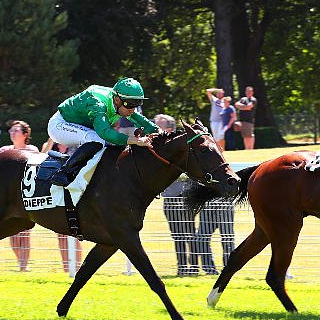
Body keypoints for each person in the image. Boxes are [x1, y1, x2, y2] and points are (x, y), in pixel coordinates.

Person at [47, 77, 159, 187]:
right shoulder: (98, 103)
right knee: (96, 139)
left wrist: (161, 133)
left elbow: (141, 121)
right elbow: (104, 132)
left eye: (136, 105)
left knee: (103, 144)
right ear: (117, 100)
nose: (132, 110)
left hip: (79, 126)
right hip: (59, 125)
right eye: (130, 104)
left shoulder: (120, 102)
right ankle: (63, 173)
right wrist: (134, 140)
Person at [153, 114, 198, 276]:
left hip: (185, 197)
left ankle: (194, 267)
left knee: (190, 233)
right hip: (170, 199)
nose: (155, 129)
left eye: (158, 126)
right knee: (177, 235)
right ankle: (182, 268)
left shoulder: (181, 148)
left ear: (169, 128)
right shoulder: (158, 148)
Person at [0, 120, 39, 271]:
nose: (12, 133)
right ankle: (20, 261)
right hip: (9, 196)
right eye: (11, 130)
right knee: (11, 232)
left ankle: (23, 265)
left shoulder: (32, 150)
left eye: (16, 130)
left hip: (25, 194)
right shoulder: (4, 150)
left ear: (25, 134)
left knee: (25, 232)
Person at [41, 139, 83, 272]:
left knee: (74, 233)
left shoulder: (76, 145)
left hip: (73, 191)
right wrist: (50, 139)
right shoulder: (50, 146)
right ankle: (66, 267)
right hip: (55, 192)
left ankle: (77, 267)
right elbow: (41, 157)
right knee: (61, 234)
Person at [196, 198, 235, 275]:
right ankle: (209, 269)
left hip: (225, 205)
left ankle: (229, 269)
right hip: (206, 205)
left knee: (227, 239)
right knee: (202, 238)